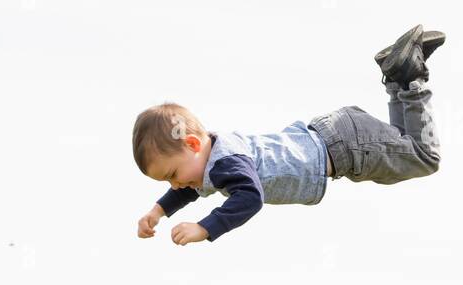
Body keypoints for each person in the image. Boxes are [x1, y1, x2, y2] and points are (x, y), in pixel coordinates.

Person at [133, 24, 445, 246]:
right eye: (167, 181)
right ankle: (398, 74)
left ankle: (409, 75)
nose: (175, 184)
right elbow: (191, 185)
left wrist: (205, 228)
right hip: (336, 137)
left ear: (191, 144)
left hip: (344, 148)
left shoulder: (225, 164)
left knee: (424, 156)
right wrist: (158, 211)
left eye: (172, 174)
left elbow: (250, 198)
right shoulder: (213, 157)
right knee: (406, 144)